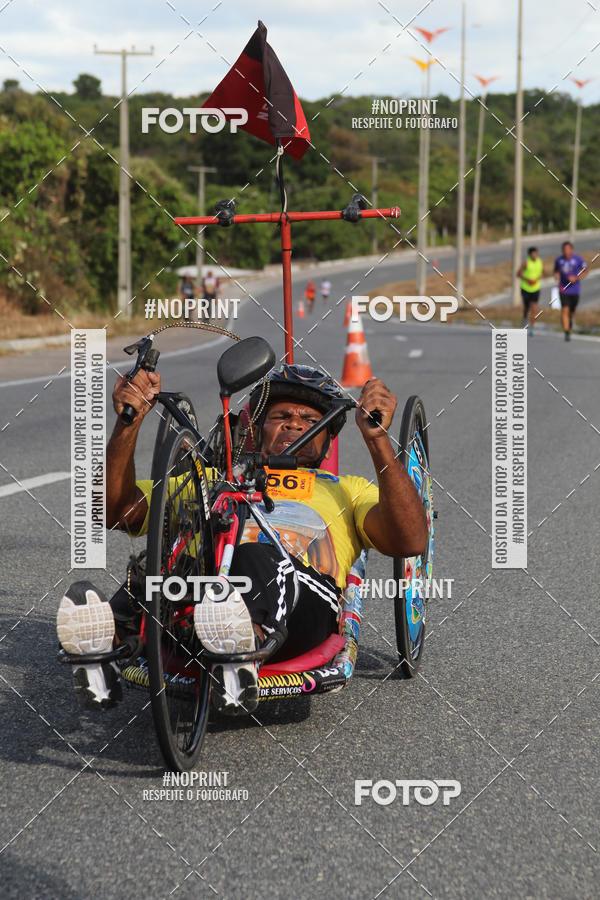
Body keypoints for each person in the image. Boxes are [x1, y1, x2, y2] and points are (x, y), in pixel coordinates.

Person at [57, 365, 428, 715]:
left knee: (256, 557)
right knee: (158, 571)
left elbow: (410, 539)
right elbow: (114, 512)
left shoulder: (348, 490)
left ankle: (243, 639)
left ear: (328, 443)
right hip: (196, 599)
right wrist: (128, 423)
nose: (295, 424)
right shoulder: (212, 480)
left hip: (298, 605)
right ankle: (107, 638)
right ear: (256, 431)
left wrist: (378, 440)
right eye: (281, 417)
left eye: (311, 421)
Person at [553, 241, 587, 341]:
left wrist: (576, 278)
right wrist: (556, 275)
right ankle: (567, 332)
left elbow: (585, 271)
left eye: (568, 249)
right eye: (564, 250)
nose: (566, 251)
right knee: (564, 309)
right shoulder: (559, 260)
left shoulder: (578, 259)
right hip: (563, 288)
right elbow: (556, 271)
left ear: (572, 250)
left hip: (575, 290)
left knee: (571, 311)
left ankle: (571, 318)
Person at [516, 247, 544, 335]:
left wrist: (538, 278)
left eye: (536, 253)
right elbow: (518, 274)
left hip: (535, 288)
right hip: (525, 288)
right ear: (529, 255)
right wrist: (527, 279)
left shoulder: (540, 262)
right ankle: (524, 318)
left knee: (534, 308)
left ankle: (531, 327)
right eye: (533, 254)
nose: (535, 255)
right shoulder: (525, 263)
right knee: (526, 307)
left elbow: (544, 272)